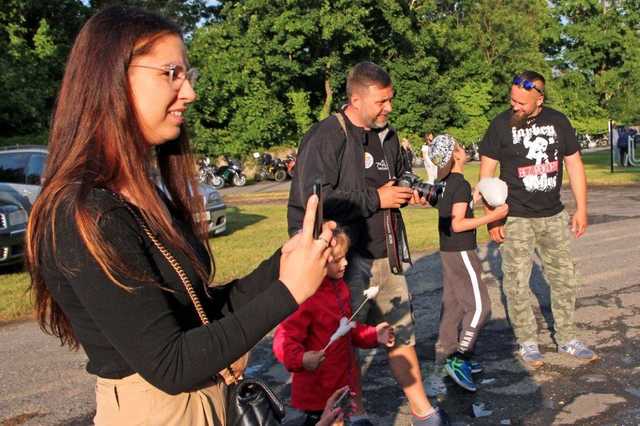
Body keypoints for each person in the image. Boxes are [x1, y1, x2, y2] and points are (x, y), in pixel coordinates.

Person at [26, 7, 335, 425]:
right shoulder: (82, 213)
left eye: (188, 74)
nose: (188, 92)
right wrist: (289, 292)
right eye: (171, 73)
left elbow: (203, 310)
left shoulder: (141, 193)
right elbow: (170, 364)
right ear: (110, 78)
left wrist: (288, 261)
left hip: (200, 404)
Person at [288, 62, 449, 426]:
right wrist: (376, 198)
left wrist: (409, 192)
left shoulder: (387, 136)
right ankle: (353, 415)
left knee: (401, 332)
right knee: (342, 347)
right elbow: (316, 199)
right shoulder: (325, 136)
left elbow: (396, 178)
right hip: (341, 263)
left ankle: (424, 413)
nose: (388, 107)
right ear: (356, 98)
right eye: (381, 101)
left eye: (390, 99)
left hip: (384, 254)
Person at [479, 70, 597, 368]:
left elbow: (574, 165)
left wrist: (581, 208)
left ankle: (567, 337)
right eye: (512, 100)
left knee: (564, 279)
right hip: (515, 218)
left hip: (553, 215)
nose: (515, 105)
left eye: (521, 102)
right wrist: (492, 218)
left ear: (539, 98)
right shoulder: (500, 124)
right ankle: (528, 342)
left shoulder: (558, 122)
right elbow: (486, 175)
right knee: (517, 283)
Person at [273, 228, 395, 425]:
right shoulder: (305, 297)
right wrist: (301, 359)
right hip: (316, 397)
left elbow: (347, 329)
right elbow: (284, 338)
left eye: (345, 257)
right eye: (337, 259)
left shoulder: (339, 288)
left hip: (340, 387)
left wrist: (374, 335)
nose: (345, 263)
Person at [431, 134, 508, 392]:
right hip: (462, 251)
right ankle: (460, 357)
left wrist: (475, 196)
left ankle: (448, 351)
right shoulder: (459, 184)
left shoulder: (444, 183)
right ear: (455, 155)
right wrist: (494, 216)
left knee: (453, 305)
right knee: (480, 307)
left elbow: (455, 209)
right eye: (459, 147)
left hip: (448, 251)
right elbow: (458, 223)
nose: (464, 149)